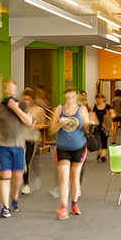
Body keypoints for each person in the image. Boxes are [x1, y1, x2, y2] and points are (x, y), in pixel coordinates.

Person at [0, 79, 34, 217]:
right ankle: (5, 207)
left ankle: (14, 197)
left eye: (12, 89)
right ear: (5, 90)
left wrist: (16, 108)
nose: (10, 91)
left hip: (18, 146)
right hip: (3, 145)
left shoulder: (23, 105)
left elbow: (28, 122)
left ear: (16, 90)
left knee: (17, 175)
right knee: (5, 175)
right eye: (7, 89)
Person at [52, 84, 92, 219]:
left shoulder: (82, 109)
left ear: (76, 97)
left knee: (74, 178)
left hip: (78, 147)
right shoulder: (60, 109)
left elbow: (86, 127)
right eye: (66, 98)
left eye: (71, 98)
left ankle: (74, 203)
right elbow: (51, 130)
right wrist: (59, 124)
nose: (68, 100)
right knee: (64, 178)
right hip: (62, 147)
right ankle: (63, 207)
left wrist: (88, 123)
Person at [21, 87, 47, 195]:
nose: (27, 101)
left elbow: (43, 124)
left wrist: (36, 126)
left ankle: (26, 184)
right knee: (22, 161)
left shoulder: (38, 110)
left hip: (32, 138)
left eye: (29, 99)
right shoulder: (20, 109)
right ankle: (25, 182)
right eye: (25, 99)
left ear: (32, 99)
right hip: (21, 137)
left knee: (28, 160)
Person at [91, 92, 111, 162]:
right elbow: (93, 115)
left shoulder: (107, 107)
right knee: (97, 141)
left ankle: (103, 156)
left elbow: (113, 114)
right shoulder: (95, 107)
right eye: (97, 98)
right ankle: (100, 154)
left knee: (104, 140)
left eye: (100, 98)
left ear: (103, 99)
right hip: (97, 126)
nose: (99, 99)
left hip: (105, 126)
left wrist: (109, 118)